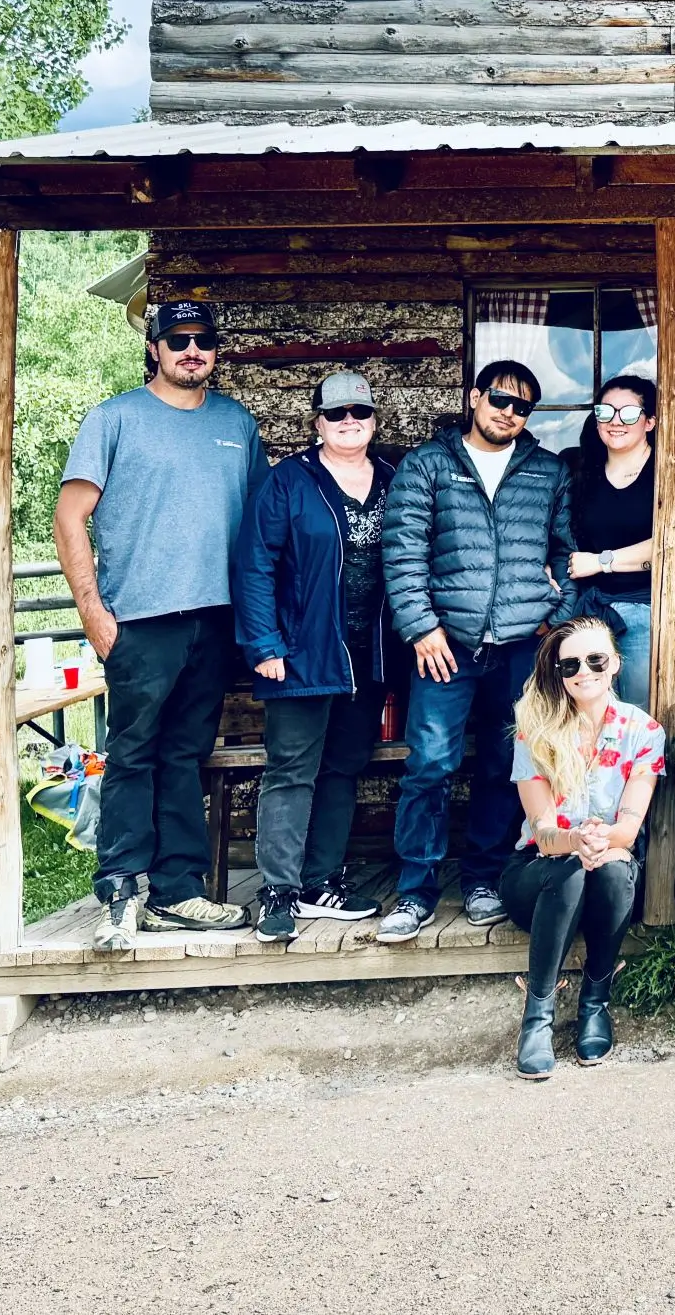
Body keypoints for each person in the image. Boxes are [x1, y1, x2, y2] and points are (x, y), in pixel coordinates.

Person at [57, 300, 266, 949]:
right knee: (133, 752)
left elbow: (261, 524)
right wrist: (94, 613)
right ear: (154, 347)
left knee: (185, 754)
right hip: (139, 620)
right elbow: (70, 516)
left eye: (203, 339)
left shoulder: (236, 422)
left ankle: (176, 892)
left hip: (213, 619)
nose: (191, 350)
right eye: (178, 339)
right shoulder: (114, 418)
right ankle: (118, 888)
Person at [375, 359, 574, 945]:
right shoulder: (428, 465)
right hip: (446, 646)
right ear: (474, 397)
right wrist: (421, 628)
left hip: (520, 648)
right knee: (430, 766)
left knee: (503, 764)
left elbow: (566, 552)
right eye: (499, 399)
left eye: (521, 406)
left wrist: (554, 628)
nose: (508, 412)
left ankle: (483, 878)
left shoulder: (547, 471)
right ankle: (414, 891)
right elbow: (403, 551)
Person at [231, 370, 399, 942]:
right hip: (302, 652)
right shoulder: (289, 483)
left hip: (369, 655)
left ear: (374, 420)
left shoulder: (393, 479)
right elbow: (255, 565)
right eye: (335, 414)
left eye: (359, 412)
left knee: (344, 767)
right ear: (316, 423)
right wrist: (264, 644)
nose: (348, 422)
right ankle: (278, 888)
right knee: (291, 771)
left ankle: (322, 880)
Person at [501, 616, 665, 1078]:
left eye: (595, 659)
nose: (583, 670)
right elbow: (542, 830)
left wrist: (600, 842)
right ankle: (537, 1019)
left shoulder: (643, 731)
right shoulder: (535, 730)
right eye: (570, 663)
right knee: (571, 867)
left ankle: (595, 1002)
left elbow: (630, 827)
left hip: (607, 865)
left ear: (615, 664)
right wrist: (576, 841)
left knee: (614, 869)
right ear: (558, 671)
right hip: (538, 873)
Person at [562, 373, 675, 711]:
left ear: (650, 422)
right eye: (606, 412)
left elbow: (674, 547)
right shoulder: (581, 471)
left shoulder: (672, 472)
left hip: (649, 609)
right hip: (589, 612)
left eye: (628, 413)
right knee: (587, 715)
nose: (615, 421)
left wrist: (600, 561)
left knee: (639, 714)